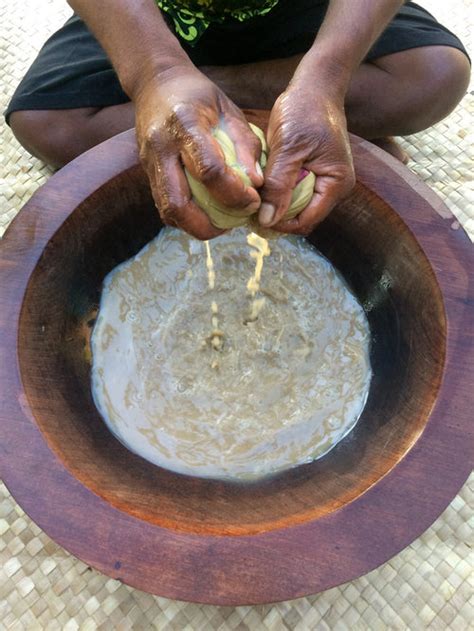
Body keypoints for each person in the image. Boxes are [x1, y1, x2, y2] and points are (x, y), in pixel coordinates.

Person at [6, 1, 470, 240]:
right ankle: (201, 99)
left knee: (435, 75)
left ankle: (218, 101)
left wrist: (328, 76)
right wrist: (156, 73)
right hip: (153, 19)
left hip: (306, 17)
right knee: (45, 121)